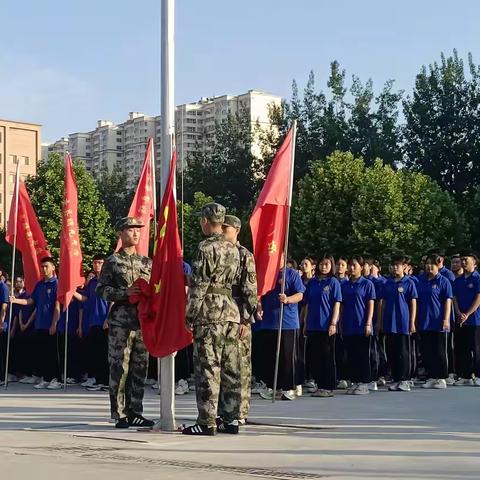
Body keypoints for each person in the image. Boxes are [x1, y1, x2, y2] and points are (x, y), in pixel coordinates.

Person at [182, 203, 243, 436]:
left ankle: (207, 421)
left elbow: (199, 284)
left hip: (209, 313)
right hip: (231, 312)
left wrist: (190, 315)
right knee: (230, 369)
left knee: (208, 368)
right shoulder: (234, 249)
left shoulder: (206, 248)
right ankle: (231, 419)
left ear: (205, 221)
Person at [96, 217, 154, 429]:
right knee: (119, 367)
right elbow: (101, 290)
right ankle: (119, 413)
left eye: (138, 230)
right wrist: (124, 293)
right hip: (121, 321)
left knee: (140, 367)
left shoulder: (146, 262)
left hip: (142, 322)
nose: (135, 233)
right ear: (120, 233)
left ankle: (135, 411)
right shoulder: (113, 261)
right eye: (130, 230)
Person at [218, 214, 257, 424]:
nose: (223, 231)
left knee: (240, 366)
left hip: (238, 315)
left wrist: (245, 320)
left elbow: (250, 291)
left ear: (236, 230)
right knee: (223, 366)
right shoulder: (219, 252)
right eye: (221, 227)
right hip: (220, 316)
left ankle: (240, 412)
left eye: (227, 228)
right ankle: (225, 410)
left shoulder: (244, 255)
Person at [258, 258, 305, 402]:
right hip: (269, 322)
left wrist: (288, 299)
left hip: (287, 322)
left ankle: (289, 387)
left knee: (287, 357)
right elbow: (259, 293)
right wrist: (259, 307)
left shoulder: (291, 274)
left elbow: (300, 294)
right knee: (270, 356)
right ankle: (272, 386)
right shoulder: (266, 272)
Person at [10, 257, 61, 389]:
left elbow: (57, 306)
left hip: (50, 325)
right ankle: (46, 378)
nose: (44, 269)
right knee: (42, 353)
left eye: (47, 266)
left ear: (53, 267)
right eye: (42, 267)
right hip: (39, 324)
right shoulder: (40, 285)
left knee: (51, 353)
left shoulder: (56, 284)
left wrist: (54, 323)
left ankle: (56, 379)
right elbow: (30, 301)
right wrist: (15, 300)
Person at [302, 254, 341, 397]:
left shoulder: (333, 282)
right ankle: (319, 384)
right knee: (314, 357)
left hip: (326, 326)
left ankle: (328, 386)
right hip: (313, 325)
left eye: (327, 264)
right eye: (321, 264)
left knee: (327, 357)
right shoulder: (312, 283)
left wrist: (333, 323)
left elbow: (337, 303)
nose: (324, 267)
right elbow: (306, 304)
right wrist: (305, 322)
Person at [380, 256, 418, 392]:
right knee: (392, 352)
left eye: (398, 265)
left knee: (404, 352)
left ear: (404, 267)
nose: (395, 268)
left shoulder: (409, 282)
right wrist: (380, 321)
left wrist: (412, 321)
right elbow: (383, 303)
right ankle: (396, 379)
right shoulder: (387, 283)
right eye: (393, 265)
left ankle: (405, 379)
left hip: (403, 322)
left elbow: (413, 303)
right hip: (390, 322)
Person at [341, 256, 376, 395]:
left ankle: (365, 382)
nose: (351, 268)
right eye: (350, 265)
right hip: (348, 324)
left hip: (362, 324)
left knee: (363, 355)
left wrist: (368, 323)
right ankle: (355, 381)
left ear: (362, 267)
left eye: (354, 265)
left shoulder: (367, 284)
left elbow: (371, 305)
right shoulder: (345, 285)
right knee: (351, 355)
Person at [417, 254, 452, 389]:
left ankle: (442, 377)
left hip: (438, 321)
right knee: (427, 351)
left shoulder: (443, 281)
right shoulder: (421, 280)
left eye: (432, 264)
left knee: (440, 351)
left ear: (438, 266)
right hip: (424, 321)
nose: (429, 266)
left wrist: (446, 319)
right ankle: (431, 376)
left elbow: (447, 301)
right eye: (427, 264)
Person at [80, 255, 110, 391]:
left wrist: (108, 319)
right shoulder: (92, 283)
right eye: (95, 263)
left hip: (103, 321)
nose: (97, 265)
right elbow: (85, 298)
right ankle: (98, 380)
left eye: (99, 262)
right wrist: (71, 292)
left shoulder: (108, 280)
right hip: (92, 321)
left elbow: (112, 300)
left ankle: (105, 381)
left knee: (104, 353)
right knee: (95, 352)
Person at [452, 252, 480, 386]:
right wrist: (458, 313)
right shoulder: (458, 280)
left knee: (476, 348)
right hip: (461, 319)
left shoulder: (477, 278)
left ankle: (478, 375)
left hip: (475, 319)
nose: (463, 262)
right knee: (463, 348)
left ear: (474, 262)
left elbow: (478, 298)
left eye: (466, 260)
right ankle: (466, 376)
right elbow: (455, 299)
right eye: (462, 260)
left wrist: (467, 314)